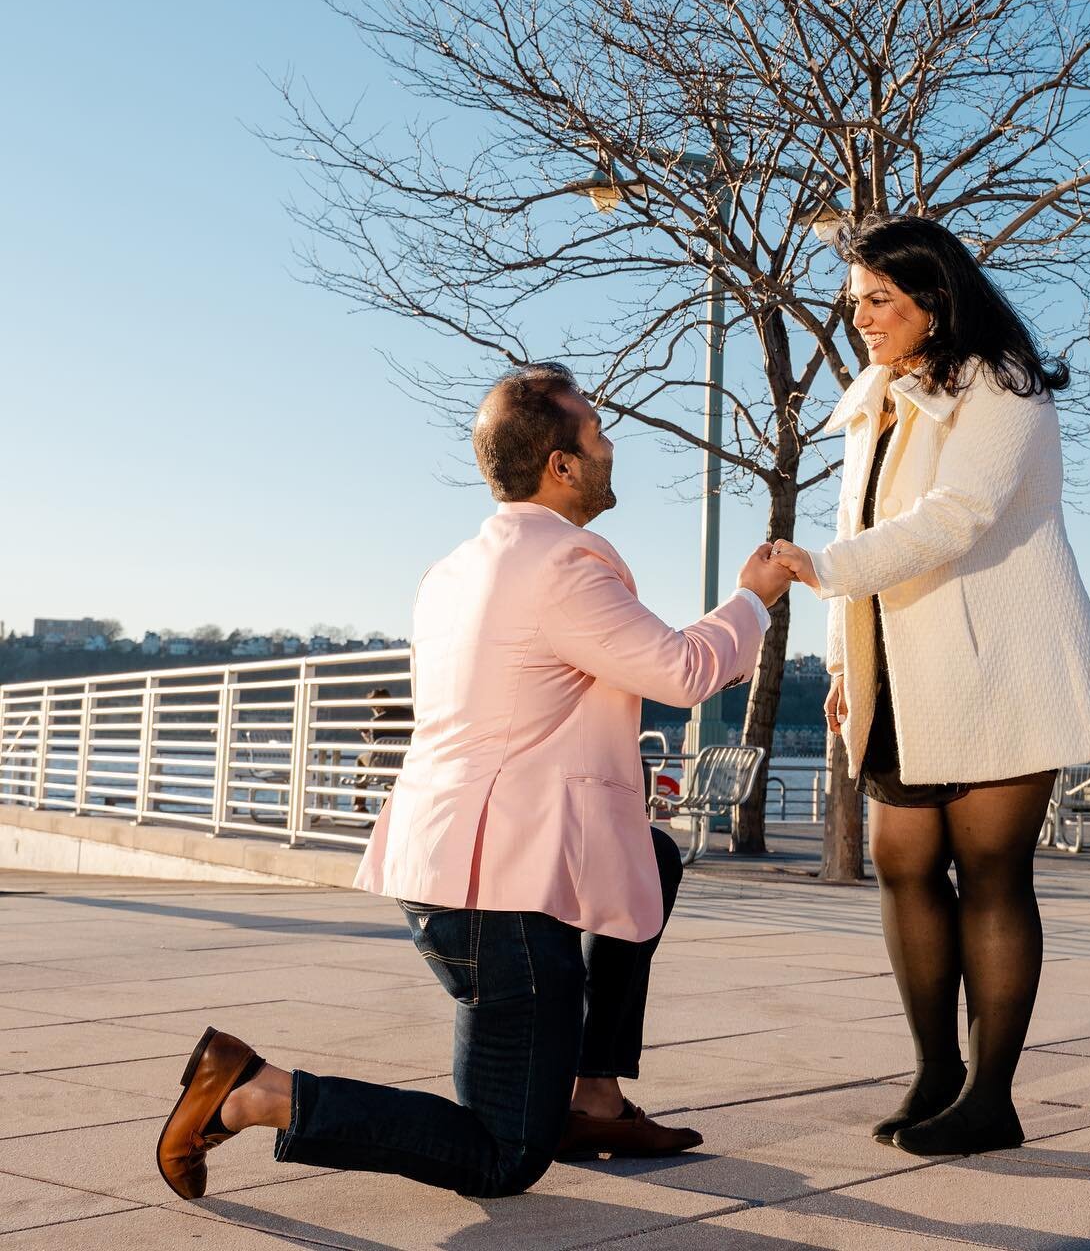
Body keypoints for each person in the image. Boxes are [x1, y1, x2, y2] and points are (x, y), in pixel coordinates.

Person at [157, 362, 790, 1201]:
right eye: (597, 435)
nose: (609, 447)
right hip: (502, 896)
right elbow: (680, 668)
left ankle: (591, 1096)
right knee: (503, 1155)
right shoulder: (564, 565)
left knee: (654, 856)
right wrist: (752, 599)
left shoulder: (457, 568)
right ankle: (257, 1093)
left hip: (455, 871)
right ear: (560, 465)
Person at [773, 216, 1090, 1159]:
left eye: (881, 300)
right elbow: (872, 522)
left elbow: (956, 516)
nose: (863, 320)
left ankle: (992, 1096)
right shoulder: (878, 395)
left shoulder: (1002, 387)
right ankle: (935, 1070)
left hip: (996, 666)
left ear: (937, 297)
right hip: (902, 674)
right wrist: (845, 668)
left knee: (992, 875)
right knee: (903, 863)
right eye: (855, 304)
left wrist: (823, 567)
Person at [350, 686, 414, 814]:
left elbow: (375, 748)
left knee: (361, 759)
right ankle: (385, 811)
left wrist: (366, 734)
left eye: (373, 708)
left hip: (383, 764)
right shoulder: (410, 715)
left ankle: (359, 805)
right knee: (391, 778)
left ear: (377, 707)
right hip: (405, 764)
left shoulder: (377, 721)